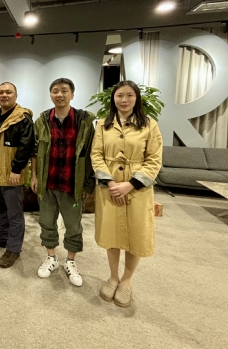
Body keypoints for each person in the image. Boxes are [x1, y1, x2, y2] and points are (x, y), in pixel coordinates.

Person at [90, 80, 163, 308]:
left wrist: (130, 185)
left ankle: (127, 280)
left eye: (129, 95)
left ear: (136, 98)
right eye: (120, 95)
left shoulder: (149, 125)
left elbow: (154, 159)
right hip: (109, 187)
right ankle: (113, 277)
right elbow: (96, 155)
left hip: (138, 189)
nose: (124, 100)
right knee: (111, 233)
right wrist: (112, 183)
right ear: (113, 98)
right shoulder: (103, 124)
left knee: (135, 234)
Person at [31, 78, 95, 286]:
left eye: (64, 91)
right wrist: (34, 176)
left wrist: (88, 184)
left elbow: (91, 154)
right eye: (55, 91)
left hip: (72, 184)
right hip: (47, 183)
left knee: (73, 226)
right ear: (51, 95)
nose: (59, 94)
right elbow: (35, 151)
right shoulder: (42, 121)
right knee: (46, 222)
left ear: (72, 95)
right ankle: (51, 257)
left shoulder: (84, 122)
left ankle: (70, 261)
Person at [0, 82, 34, 268]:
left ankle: (14, 248)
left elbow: (26, 146)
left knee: (14, 214)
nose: (4, 95)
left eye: (8, 92)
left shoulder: (23, 118)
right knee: (1, 210)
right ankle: (2, 237)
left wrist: (16, 170)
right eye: (1, 92)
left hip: (11, 175)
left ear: (15, 95)